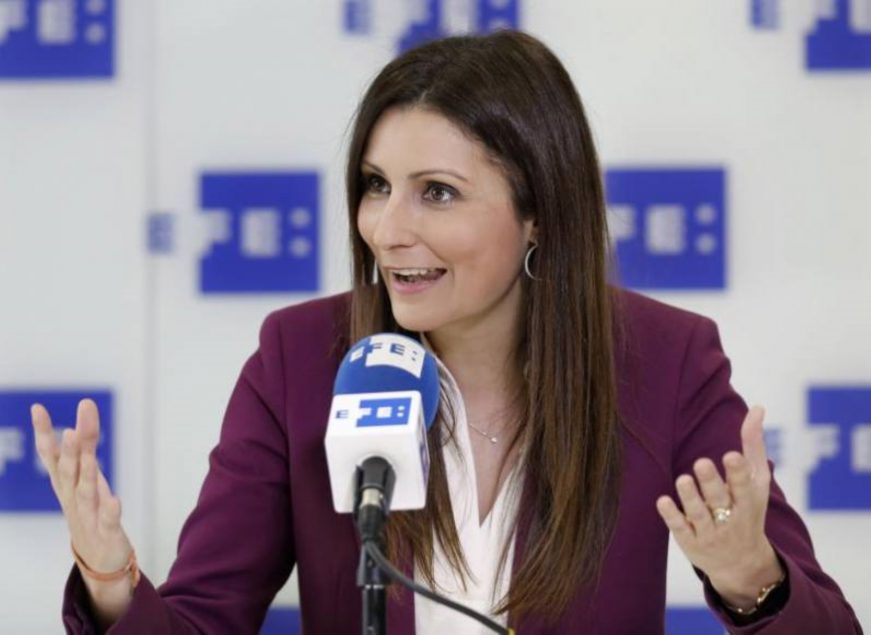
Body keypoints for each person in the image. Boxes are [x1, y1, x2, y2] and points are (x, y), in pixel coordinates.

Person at [32, 30, 861, 634]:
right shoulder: (300, 360)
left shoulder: (664, 361)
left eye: (436, 192)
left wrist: (750, 577)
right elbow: (200, 623)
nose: (387, 229)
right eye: (375, 185)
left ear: (537, 212)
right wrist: (111, 579)